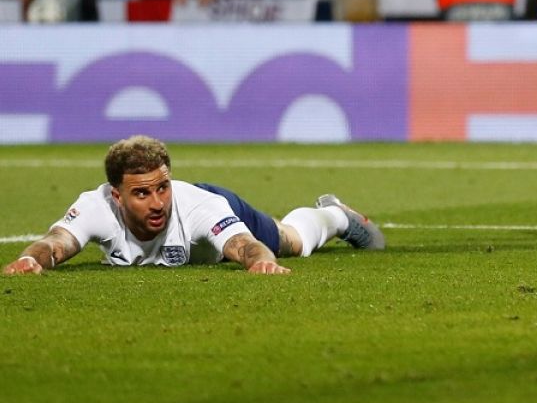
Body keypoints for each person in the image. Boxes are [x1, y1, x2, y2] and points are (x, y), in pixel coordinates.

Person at [2, 135, 383, 276]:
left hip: (221, 202)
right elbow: (55, 242)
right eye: (142, 193)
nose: (158, 203)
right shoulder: (96, 205)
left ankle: (336, 215)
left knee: (291, 240)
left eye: (163, 188)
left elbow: (245, 247)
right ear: (116, 195)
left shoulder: (198, 206)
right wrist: (31, 260)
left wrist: (260, 262)